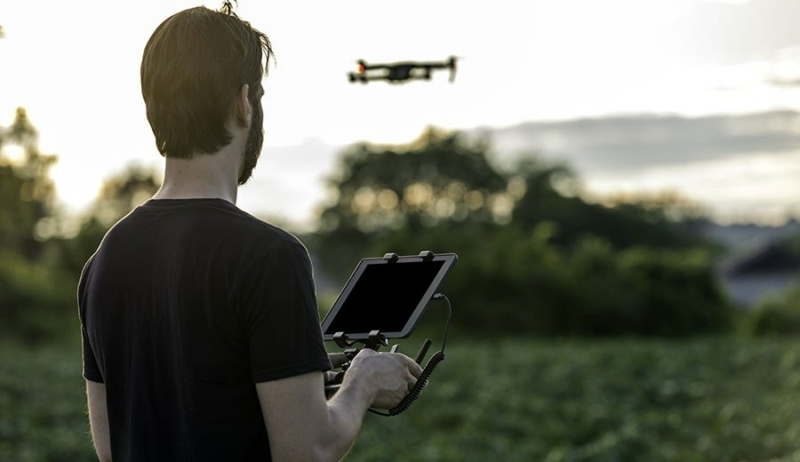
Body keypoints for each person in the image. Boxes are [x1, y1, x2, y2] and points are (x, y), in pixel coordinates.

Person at [77, 3, 422, 461]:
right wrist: (362, 383)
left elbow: (111, 448)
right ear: (244, 103)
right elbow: (306, 451)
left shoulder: (103, 262)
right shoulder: (269, 257)